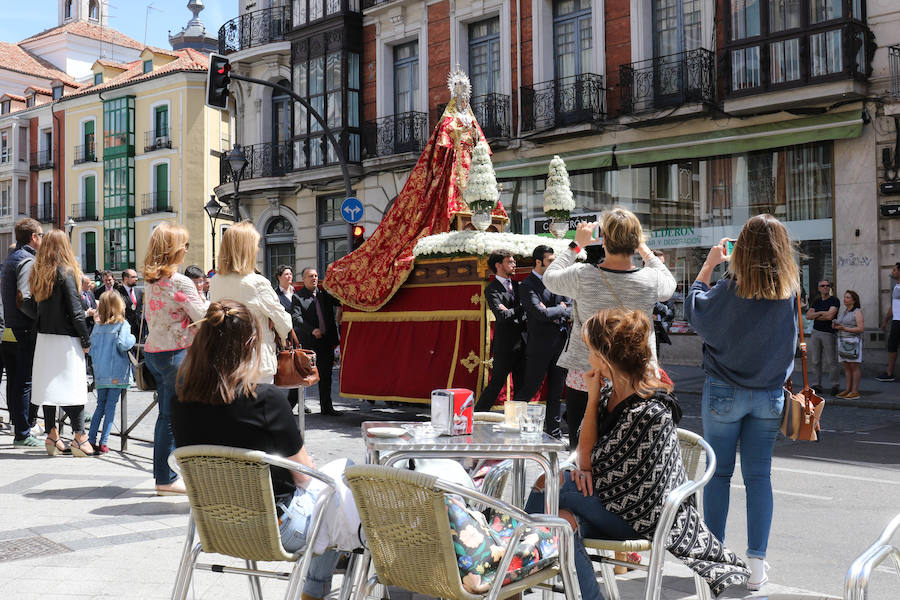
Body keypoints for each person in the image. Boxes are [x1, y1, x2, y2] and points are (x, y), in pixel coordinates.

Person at [524, 309, 749, 600]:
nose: (587, 356)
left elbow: (591, 464)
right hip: (609, 505)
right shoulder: (607, 393)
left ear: (605, 358)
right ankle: (521, 573)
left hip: (642, 517)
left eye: (590, 349)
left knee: (550, 485)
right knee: (561, 521)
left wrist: (584, 470)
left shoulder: (651, 409)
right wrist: (592, 399)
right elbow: (585, 456)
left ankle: (507, 565)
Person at [172, 300, 341, 599]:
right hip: (275, 528)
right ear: (251, 343)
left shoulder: (179, 399)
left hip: (214, 528)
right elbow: (304, 479)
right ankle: (316, 589)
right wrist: (309, 466)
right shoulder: (265, 399)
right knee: (340, 491)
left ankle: (324, 575)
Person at [683, 214, 799, 591]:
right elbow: (788, 344)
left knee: (718, 474)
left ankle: (713, 562)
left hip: (724, 390)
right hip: (768, 395)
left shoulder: (731, 286)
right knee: (759, 476)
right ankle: (757, 566)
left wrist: (709, 264)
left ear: (742, 249)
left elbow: (696, 314)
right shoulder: (788, 291)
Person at [543, 208, 675, 449]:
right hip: (637, 376)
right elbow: (669, 284)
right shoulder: (651, 279)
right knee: (632, 450)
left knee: (583, 454)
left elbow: (550, 277)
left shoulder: (583, 275)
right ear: (636, 240)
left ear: (604, 239)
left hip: (588, 374)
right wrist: (643, 249)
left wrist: (576, 244)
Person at [142, 222, 209, 495]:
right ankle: (165, 478)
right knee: (170, 418)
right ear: (174, 249)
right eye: (185, 245)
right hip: (176, 354)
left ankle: (167, 475)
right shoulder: (180, 282)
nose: (186, 250)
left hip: (154, 352)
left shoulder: (151, 280)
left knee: (166, 416)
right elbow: (201, 316)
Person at [26, 230, 94, 457]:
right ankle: (80, 437)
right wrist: (86, 340)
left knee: (50, 389)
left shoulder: (39, 272)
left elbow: (30, 306)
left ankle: (53, 435)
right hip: (66, 339)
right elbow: (76, 313)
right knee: (74, 388)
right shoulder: (65, 272)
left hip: (44, 338)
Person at [208, 222, 293, 385]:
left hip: (225, 357)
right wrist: (279, 332)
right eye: (255, 245)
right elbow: (284, 322)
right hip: (256, 359)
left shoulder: (215, 281)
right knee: (257, 407)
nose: (258, 249)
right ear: (247, 249)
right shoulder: (257, 282)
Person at [513, 245, 571, 438]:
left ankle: (554, 432)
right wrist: (559, 309)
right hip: (540, 346)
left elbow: (571, 306)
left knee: (556, 391)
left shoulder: (558, 281)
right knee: (530, 388)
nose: (554, 264)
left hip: (561, 343)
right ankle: (512, 425)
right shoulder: (528, 285)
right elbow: (540, 313)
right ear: (538, 262)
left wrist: (557, 310)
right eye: (550, 261)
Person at [1, 218, 44, 447]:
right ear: (33, 237)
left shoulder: (10, 259)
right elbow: (25, 298)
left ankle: (19, 426)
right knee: (24, 381)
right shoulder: (27, 260)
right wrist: (38, 317)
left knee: (15, 382)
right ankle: (23, 432)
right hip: (24, 329)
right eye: (41, 236)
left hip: (10, 328)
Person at [474, 250, 527, 412]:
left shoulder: (519, 286)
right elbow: (503, 316)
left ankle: (517, 420)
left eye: (513, 261)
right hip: (505, 345)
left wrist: (513, 310)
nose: (514, 265)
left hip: (524, 343)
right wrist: (521, 308)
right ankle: (477, 415)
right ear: (498, 265)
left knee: (522, 386)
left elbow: (518, 312)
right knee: (496, 384)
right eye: (509, 262)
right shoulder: (492, 289)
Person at [87, 291, 136, 453]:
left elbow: (91, 349)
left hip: (100, 372)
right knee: (110, 408)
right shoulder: (122, 324)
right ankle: (104, 441)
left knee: (100, 406)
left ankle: (91, 439)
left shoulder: (98, 326)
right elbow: (123, 344)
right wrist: (134, 338)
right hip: (116, 372)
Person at [295, 267, 341, 416]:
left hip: (326, 341)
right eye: (310, 276)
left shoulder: (324, 294)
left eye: (315, 276)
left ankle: (327, 407)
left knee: (326, 375)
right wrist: (311, 330)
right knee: (303, 376)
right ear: (304, 279)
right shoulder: (298, 297)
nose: (314, 278)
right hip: (309, 343)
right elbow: (296, 318)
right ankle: (289, 406)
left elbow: (340, 300)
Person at [806, 279, 841, 394]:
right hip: (816, 332)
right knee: (815, 361)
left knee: (832, 361)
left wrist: (817, 315)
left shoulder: (834, 300)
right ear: (819, 288)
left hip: (828, 333)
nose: (826, 287)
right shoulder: (816, 301)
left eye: (827, 285)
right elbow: (808, 316)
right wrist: (821, 313)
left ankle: (835, 385)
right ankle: (817, 385)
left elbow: (830, 316)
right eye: (823, 286)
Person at [834, 290, 864, 399]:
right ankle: (848, 389)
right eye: (844, 297)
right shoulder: (845, 311)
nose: (844, 299)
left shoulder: (857, 312)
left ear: (853, 300)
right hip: (843, 341)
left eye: (847, 297)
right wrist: (837, 326)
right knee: (846, 366)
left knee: (854, 366)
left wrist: (844, 328)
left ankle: (855, 391)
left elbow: (860, 328)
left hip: (853, 342)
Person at [877, 262, 900, 381]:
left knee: (892, 346)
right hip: (896, 321)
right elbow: (893, 306)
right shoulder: (897, 286)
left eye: (895, 270)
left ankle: (890, 373)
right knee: (892, 346)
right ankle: (889, 373)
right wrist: (886, 320)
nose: (892, 272)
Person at [651, 250, 675, 360]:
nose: (662, 267)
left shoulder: (665, 283)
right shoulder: (642, 279)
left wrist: (660, 313)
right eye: (659, 264)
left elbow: (670, 313)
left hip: (657, 330)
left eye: (663, 264)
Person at [119, 268, 143, 340]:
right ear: (125, 279)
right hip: (124, 329)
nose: (136, 279)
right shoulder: (117, 293)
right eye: (133, 277)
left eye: (136, 277)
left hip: (138, 329)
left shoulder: (139, 292)